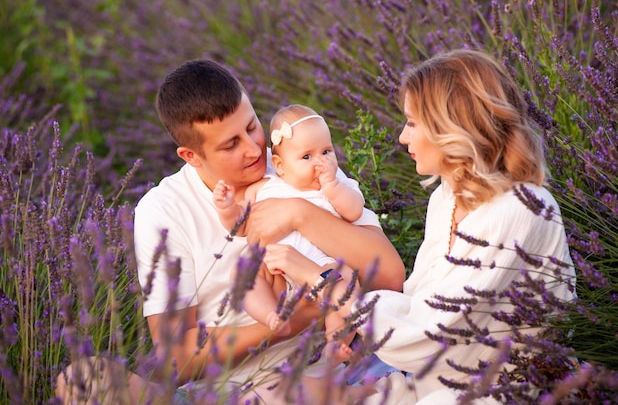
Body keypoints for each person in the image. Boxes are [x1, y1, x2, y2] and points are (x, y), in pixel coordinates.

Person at [55, 59, 405, 404]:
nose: (255, 149)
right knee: (81, 381)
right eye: (230, 144)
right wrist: (286, 322)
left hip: (340, 364)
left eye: (252, 126)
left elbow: (389, 274)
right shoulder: (164, 210)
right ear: (191, 155)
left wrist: (299, 214)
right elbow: (177, 356)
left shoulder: (300, 160)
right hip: (239, 389)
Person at [354, 49, 576, 405]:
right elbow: (421, 300)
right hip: (445, 382)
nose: (401, 138)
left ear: (452, 127)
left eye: (412, 123)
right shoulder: (446, 198)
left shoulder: (521, 207)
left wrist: (346, 305)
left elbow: (434, 330)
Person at [213, 104, 364, 363]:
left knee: (346, 280)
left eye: (326, 151)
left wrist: (334, 187)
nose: (320, 162)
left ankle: (337, 340)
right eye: (306, 157)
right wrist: (228, 208)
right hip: (276, 269)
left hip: (322, 265)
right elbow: (242, 225)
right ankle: (272, 316)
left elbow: (354, 211)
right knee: (243, 271)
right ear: (280, 166)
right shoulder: (266, 188)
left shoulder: (338, 185)